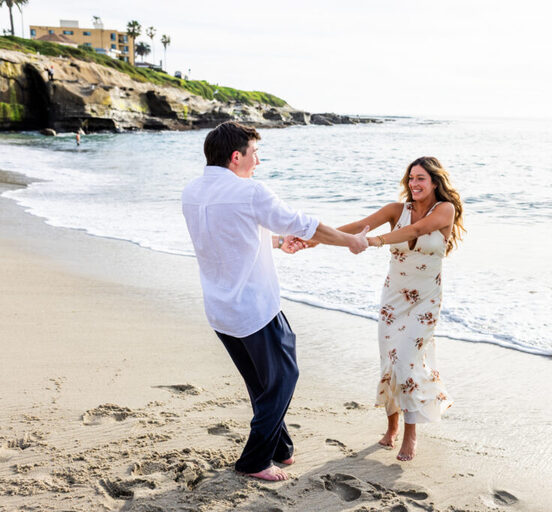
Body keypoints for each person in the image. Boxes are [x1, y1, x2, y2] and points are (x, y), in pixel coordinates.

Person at [181, 121, 369, 481]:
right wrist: (350, 241)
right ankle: (254, 461)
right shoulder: (249, 191)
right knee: (283, 376)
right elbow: (306, 225)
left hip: (220, 309)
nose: (259, 161)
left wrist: (278, 242)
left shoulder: (192, 191)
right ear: (237, 157)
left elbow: (229, 238)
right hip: (254, 307)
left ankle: (280, 448)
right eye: (255, 153)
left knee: (260, 382)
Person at [336, 156, 465, 461]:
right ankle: (391, 428)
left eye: (421, 178)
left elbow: (414, 231)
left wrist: (373, 241)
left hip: (425, 302)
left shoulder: (445, 210)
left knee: (407, 362)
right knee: (390, 364)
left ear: (435, 182)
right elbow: (358, 225)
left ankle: (410, 435)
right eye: (410, 179)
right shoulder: (397, 210)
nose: (414, 184)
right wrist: (316, 237)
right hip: (393, 301)